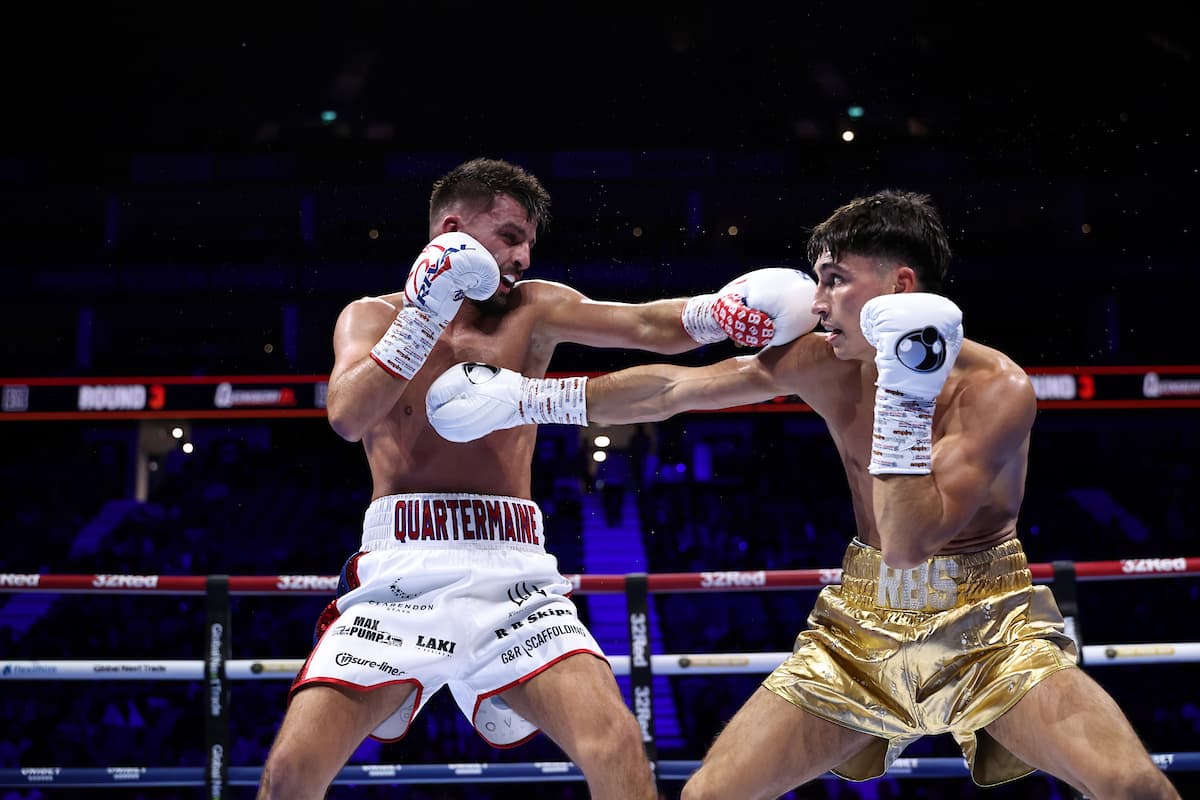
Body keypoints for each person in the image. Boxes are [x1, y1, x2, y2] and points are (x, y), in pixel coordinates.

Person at [424, 189, 1181, 799]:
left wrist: (904, 400)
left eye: (834, 280)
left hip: (985, 622)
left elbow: (914, 539)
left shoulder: (998, 390)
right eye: (817, 279)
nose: (815, 303)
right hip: (861, 624)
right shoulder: (823, 361)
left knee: (1129, 784)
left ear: (900, 289)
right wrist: (529, 399)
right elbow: (675, 390)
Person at [256, 156, 816, 800]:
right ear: (452, 228)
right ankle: (436, 699)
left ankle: (485, 698)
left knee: (616, 745)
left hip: (513, 575)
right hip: (399, 575)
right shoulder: (371, 316)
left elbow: (643, 326)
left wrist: (716, 317)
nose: (523, 256)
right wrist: (423, 316)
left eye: (529, 242)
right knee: (290, 773)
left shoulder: (535, 308)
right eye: (510, 236)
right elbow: (348, 416)